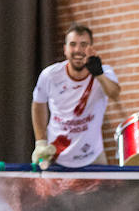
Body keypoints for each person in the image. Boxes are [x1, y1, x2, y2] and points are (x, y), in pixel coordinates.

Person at [31, 23, 120, 170]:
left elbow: (114, 94)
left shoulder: (104, 72)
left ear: (91, 49)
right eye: (73, 44)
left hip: (92, 156)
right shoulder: (50, 75)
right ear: (65, 49)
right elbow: (38, 103)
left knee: (102, 193)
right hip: (56, 155)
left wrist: (98, 74)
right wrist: (40, 142)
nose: (78, 50)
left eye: (84, 44)